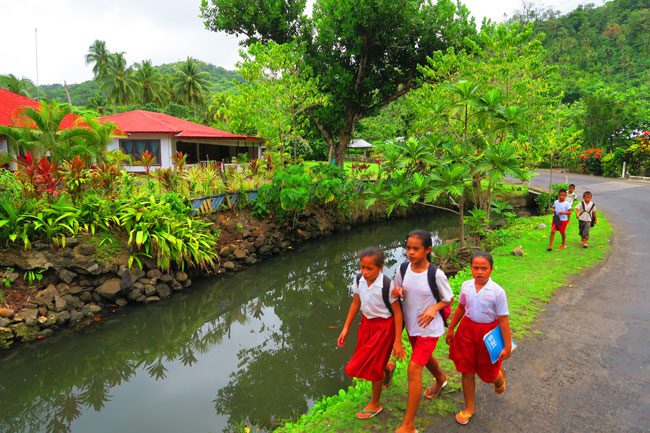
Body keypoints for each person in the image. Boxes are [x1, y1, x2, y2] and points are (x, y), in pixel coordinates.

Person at [392, 230, 453, 433]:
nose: (410, 252)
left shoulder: (435, 274)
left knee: (413, 369)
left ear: (427, 249)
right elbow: (397, 287)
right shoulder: (402, 269)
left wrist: (433, 308)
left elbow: (448, 298)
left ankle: (408, 425)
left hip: (429, 329)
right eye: (408, 248)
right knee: (424, 358)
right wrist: (397, 291)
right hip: (412, 326)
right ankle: (441, 379)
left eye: (416, 248)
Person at [338, 246, 406, 420]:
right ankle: (388, 368)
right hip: (366, 325)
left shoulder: (387, 284)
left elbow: (398, 313)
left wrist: (398, 341)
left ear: (381, 267)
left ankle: (375, 403)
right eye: (362, 267)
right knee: (366, 361)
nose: (365, 272)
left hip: (384, 328)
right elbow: (355, 303)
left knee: (373, 364)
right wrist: (346, 328)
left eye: (370, 268)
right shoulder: (359, 279)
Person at [446, 252, 512, 425]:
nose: (479, 272)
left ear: (491, 269)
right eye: (476, 268)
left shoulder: (497, 292)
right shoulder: (466, 286)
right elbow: (461, 308)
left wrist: (507, 346)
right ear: (470, 268)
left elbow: (503, 320)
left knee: (488, 374)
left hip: (487, 335)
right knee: (466, 370)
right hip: (467, 331)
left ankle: (498, 377)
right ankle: (469, 407)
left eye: (484, 268)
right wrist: (451, 329)